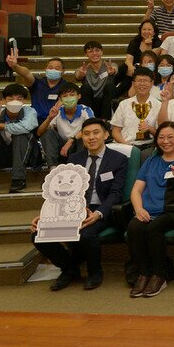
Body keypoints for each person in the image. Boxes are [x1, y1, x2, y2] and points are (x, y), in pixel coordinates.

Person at [31, 117, 127, 290]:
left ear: (106, 135)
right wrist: (48, 215)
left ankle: (95, 272)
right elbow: (62, 193)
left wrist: (98, 214)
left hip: (102, 209)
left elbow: (116, 194)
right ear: (82, 137)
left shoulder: (118, 159)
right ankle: (69, 269)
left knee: (86, 234)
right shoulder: (74, 158)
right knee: (38, 234)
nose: (91, 137)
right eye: (86, 134)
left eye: (96, 133)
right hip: (72, 208)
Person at [127, 122, 174, 298]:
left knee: (153, 228)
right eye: (161, 137)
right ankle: (144, 273)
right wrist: (138, 209)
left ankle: (160, 275)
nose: (165, 141)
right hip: (148, 210)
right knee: (134, 227)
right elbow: (136, 190)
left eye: (170, 137)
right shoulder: (151, 161)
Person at [5, 51, 72, 125]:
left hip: (57, 122)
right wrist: (15, 66)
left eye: (57, 68)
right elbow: (26, 73)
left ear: (63, 71)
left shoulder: (67, 87)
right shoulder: (37, 83)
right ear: (45, 69)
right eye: (50, 67)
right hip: (35, 121)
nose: (53, 70)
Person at [36, 84, 94, 168]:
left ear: (79, 96)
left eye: (72, 95)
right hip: (61, 147)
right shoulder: (57, 111)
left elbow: (90, 128)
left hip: (77, 145)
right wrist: (49, 118)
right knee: (47, 132)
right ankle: (53, 167)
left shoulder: (86, 110)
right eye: (65, 96)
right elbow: (39, 133)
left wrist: (71, 141)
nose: (69, 98)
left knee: (85, 135)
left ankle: (79, 167)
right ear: (60, 99)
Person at [0, 84, 38, 192]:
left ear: (23, 101)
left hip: (26, 155)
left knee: (21, 134)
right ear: (4, 101)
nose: (15, 101)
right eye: (10, 99)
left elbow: (27, 127)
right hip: (4, 155)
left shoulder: (30, 111)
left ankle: (18, 179)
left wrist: (4, 126)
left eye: (19, 99)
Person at [111, 67, 161, 145]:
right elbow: (115, 131)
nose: (142, 84)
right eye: (139, 81)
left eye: (145, 81)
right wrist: (126, 145)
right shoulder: (124, 104)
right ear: (133, 83)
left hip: (148, 146)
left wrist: (149, 128)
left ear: (152, 83)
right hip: (125, 144)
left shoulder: (159, 105)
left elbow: (161, 134)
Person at [74, 41, 118, 119]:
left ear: (102, 52)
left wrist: (113, 71)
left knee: (111, 87)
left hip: (105, 102)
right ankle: (89, 118)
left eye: (97, 50)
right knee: (84, 88)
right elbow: (77, 75)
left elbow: (115, 69)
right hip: (90, 101)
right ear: (86, 54)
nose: (94, 53)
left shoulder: (110, 66)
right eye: (90, 51)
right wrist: (81, 75)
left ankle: (106, 121)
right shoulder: (83, 69)